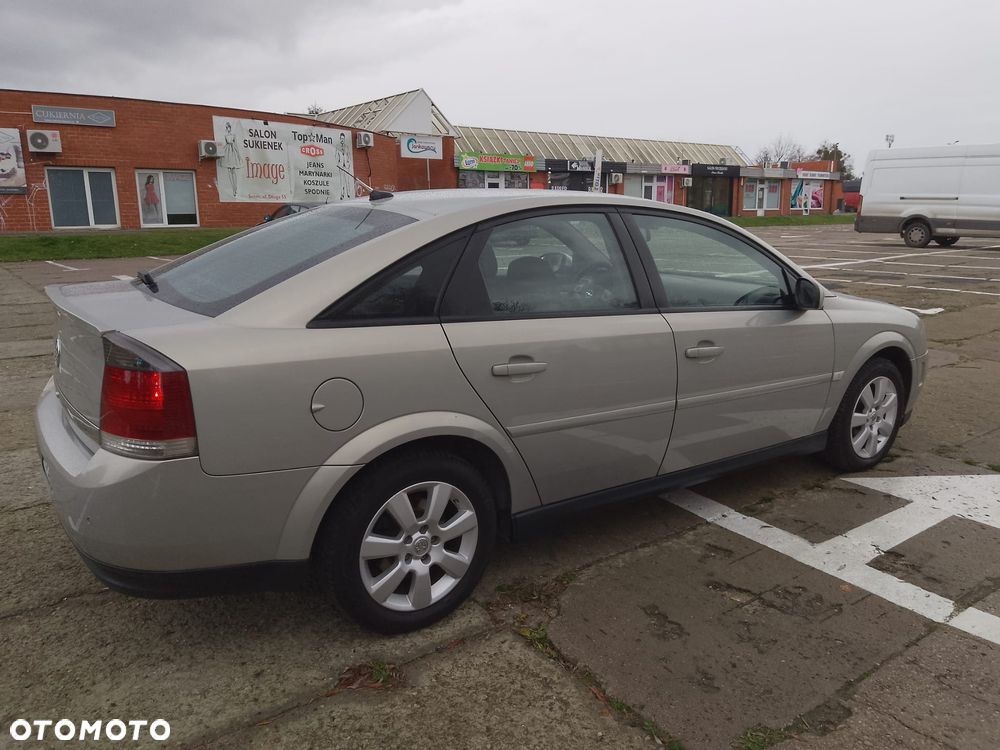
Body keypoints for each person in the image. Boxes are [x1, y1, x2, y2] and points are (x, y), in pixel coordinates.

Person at [222, 122, 241, 198]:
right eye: (226, 128)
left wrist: (238, 154)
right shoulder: (225, 136)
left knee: (233, 170)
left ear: (230, 127)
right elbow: (225, 144)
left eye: (228, 127)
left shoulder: (233, 135)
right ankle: (233, 189)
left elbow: (235, 144)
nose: (227, 129)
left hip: (233, 152)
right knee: (229, 170)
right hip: (227, 152)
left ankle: (235, 189)